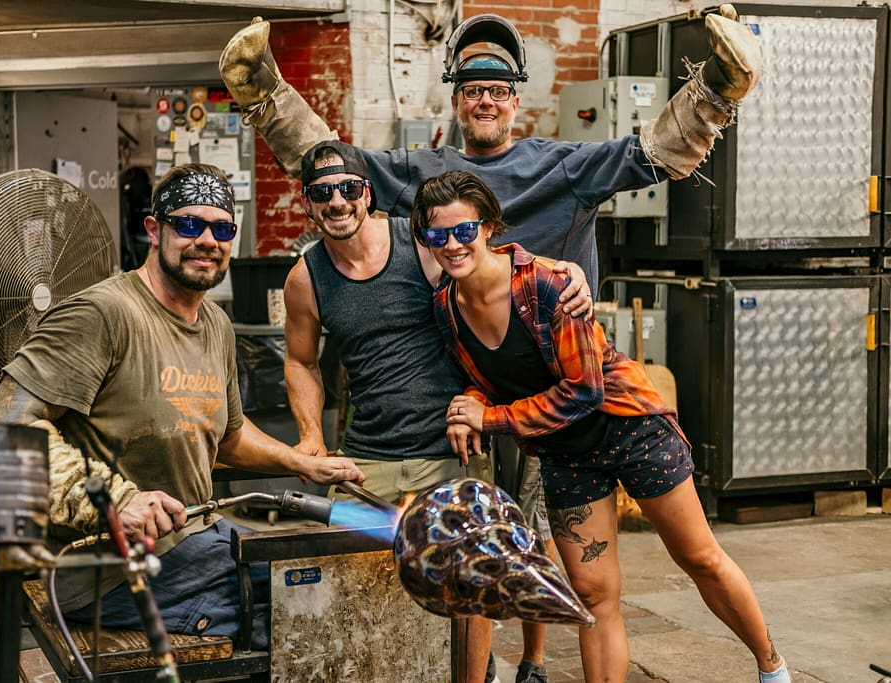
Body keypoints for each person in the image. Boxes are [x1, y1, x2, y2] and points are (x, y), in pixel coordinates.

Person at [220, 8, 761, 680]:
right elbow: (336, 169)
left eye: (498, 88)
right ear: (455, 98)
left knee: (533, 533)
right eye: (473, 86)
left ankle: (534, 658)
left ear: (514, 100)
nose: (485, 98)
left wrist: (712, 88)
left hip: (559, 392)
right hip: (471, 384)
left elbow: (654, 153)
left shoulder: (560, 165)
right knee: (483, 540)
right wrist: (267, 96)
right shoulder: (424, 171)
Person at [410, 169, 791, 683]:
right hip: (566, 453)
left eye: (463, 230)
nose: (452, 245)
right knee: (591, 595)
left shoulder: (547, 285)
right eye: (437, 235)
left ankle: (771, 666)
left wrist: (491, 418)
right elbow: (492, 377)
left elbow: (584, 391)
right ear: (424, 240)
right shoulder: (446, 309)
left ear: (489, 227)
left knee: (699, 557)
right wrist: (469, 402)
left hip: (629, 428)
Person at [0, 163, 365, 650]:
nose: (207, 239)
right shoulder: (103, 314)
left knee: (327, 578)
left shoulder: (215, 324)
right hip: (106, 569)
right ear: (153, 229)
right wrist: (118, 502)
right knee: (310, 608)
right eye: (189, 225)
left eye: (222, 229)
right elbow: (0, 432)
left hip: (195, 537)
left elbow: (227, 435)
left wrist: (300, 461)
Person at [285, 140, 592, 683]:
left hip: (450, 448)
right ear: (306, 203)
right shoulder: (305, 279)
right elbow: (301, 362)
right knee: (354, 583)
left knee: (468, 583)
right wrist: (311, 436)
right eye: (322, 193)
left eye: (348, 189)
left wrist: (565, 272)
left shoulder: (420, 245)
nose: (336, 202)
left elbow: (487, 260)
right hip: (365, 458)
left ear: (368, 194)